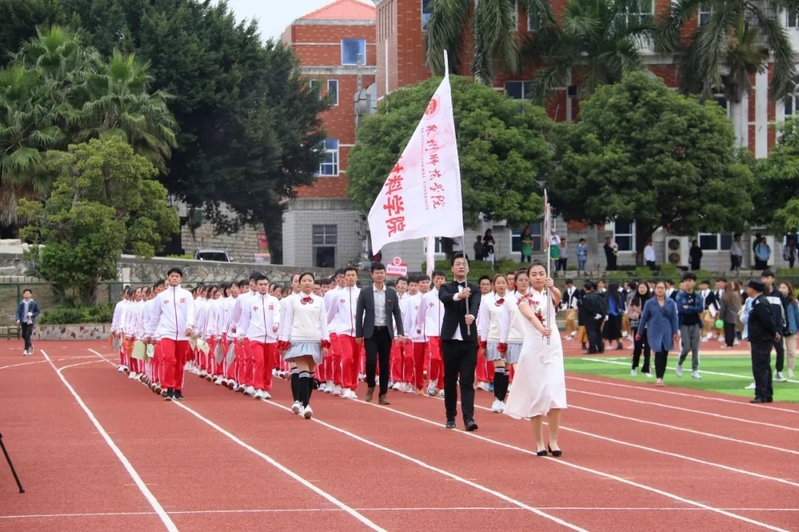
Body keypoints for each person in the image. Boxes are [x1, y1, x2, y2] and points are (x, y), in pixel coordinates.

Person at [504, 262, 566, 457]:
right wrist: (542, 329)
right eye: (534, 274)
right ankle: (539, 442)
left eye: (541, 273)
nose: (538, 277)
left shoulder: (549, 295)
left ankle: (553, 440)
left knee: (554, 395)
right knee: (537, 395)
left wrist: (553, 287)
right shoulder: (523, 299)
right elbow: (531, 317)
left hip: (553, 348)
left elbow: (558, 298)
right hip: (534, 349)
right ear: (529, 278)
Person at [438, 252, 482, 431]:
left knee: (466, 380)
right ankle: (450, 416)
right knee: (449, 380)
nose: (461, 266)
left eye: (464, 263)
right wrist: (459, 295)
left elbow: (475, 304)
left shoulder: (474, 288)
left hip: (468, 341)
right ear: (452, 268)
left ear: (468, 268)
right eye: (458, 263)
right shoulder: (446, 287)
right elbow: (445, 298)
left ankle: (469, 418)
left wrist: (472, 316)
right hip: (449, 341)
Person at [279, 272, 330, 418]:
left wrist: (325, 342)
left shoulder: (319, 301)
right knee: (302, 371)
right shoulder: (292, 301)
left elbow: (323, 323)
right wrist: (284, 342)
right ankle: (305, 405)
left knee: (310, 374)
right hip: (298, 339)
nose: (307, 283)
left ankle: (303, 402)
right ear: (299, 283)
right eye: (304, 280)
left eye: (310, 280)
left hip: (314, 339)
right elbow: (287, 322)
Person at [355, 262, 405, 405]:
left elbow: (397, 313)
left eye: (382, 272)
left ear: (385, 274)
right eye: (376, 273)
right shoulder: (365, 292)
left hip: (386, 332)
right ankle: (371, 385)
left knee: (384, 364)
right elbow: (359, 314)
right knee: (371, 361)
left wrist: (400, 332)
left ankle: (383, 394)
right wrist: (359, 334)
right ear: (372, 275)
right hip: (371, 333)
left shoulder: (391, 293)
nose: (379, 275)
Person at [144, 268, 195, 401]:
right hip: (166, 333)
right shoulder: (161, 297)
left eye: (177, 276)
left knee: (180, 362)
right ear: (168, 278)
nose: (174, 278)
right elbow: (155, 317)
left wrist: (189, 326)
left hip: (182, 334)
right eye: (172, 276)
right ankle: (169, 387)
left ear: (181, 279)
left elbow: (190, 312)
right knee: (169, 359)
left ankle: (178, 388)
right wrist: (149, 334)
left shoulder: (187, 295)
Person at [238, 273, 280, 401]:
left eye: (265, 284)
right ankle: (258, 387)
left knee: (268, 363)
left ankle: (266, 388)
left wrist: (276, 324)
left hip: (271, 337)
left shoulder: (274, 301)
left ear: (268, 286)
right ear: (256, 286)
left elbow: (277, 315)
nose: (263, 287)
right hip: (256, 337)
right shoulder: (250, 302)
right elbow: (245, 319)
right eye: (260, 284)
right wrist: (241, 334)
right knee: (259, 361)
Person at [636, 281, 679, 387]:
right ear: (655, 289)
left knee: (664, 353)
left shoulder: (671, 302)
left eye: (662, 288)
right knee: (658, 352)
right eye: (658, 288)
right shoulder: (650, 303)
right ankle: (658, 378)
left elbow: (674, 318)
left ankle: (661, 377)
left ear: (665, 289)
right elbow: (644, 318)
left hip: (667, 330)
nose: (660, 290)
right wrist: (639, 332)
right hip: (654, 330)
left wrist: (675, 332)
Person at [744, 280, 778, 404]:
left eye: (749, 288)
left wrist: (774, 333)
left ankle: (761, 394)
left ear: (752, 289)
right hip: (762, 339)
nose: (747, 290)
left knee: (760, 367)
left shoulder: (759, 303)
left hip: (761, 339)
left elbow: (767, 320)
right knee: (764, 366)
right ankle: (767, 393)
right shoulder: (760, 301)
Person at [675, 272, 704, 380]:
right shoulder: (680, 295)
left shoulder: (698, 296)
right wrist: (691, 309)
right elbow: (681, 309)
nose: (687, 283)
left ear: (694, 283)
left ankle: (695, 370)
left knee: (695, 348)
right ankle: (679, 363)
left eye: (690, 281)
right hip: (684, 323)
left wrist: (688, 307)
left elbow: (700, 308)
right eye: (686, 281)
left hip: (695, 323)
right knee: (686, 347)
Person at [627, 282, 652, 377]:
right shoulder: (633, 300)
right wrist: (639, 315)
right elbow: (629, 313)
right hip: (638, 326)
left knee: (648, 349)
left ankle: (646, 370)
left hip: (649, 327)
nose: (642, 289)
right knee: (637, 348)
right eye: (640, 287)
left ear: (647, 289)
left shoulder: (652, 300)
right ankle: (634, 367)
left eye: (644, 287)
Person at [778, 281, 798, 379]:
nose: (782, 289)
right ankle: (779, 369)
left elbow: (797, 315)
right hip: (780, 328)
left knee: (791, 351)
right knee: (781, 350)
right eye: (780, 287)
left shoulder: (794, 302)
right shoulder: (777, 300)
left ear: (789, 289)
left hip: (791, 329)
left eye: (784, 287)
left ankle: (790, 370)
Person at [15, 288, 40, 356]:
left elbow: (38, 311)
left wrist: (32, 314)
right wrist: (17, 319)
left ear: (31, 295)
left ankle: (26, 349)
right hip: (23, 321)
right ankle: (30, 345)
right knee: (23, 335)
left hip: (30, 321)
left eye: (28, 293)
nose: (26, 294)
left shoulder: (34, 303)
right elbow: (18, 312)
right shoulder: (21, 303)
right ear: (23, 295)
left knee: (27, 335)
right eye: (25, 293)